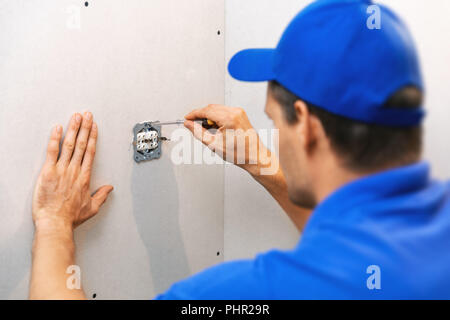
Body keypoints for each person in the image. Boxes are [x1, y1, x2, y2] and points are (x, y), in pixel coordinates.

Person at [30, 0, 450, 299]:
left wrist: (53, 227)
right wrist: (263, 165)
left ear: (304, 124)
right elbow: (348, 241)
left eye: (274, 121)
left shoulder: (247, 294)